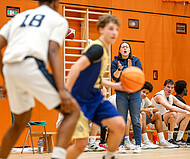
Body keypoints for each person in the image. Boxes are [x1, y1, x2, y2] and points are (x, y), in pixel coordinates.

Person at [0, 0, 80, 158]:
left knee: (21, 120)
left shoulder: (19, 17)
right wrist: (61, 90)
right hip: (31, 64)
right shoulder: (57, 19)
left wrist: (5, 78)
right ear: (56, 3)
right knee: (72, 111)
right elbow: (52, 51)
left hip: (10, 67)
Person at [64, 15, 126, 159]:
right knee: (80, 145)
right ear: (101, 30)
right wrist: (66, 94)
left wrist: (116, 85)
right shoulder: (97, 48)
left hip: (94, 97)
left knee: (119, 125)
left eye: (116, 29)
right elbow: (75, 68)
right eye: (110, 29)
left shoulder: (104, 50)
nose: (114, 33)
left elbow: (96, 79)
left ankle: (109, 155)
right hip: (79, 99)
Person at [111, 42, 142, 153]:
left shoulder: (136, 60)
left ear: (129, 50)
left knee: (135, 119)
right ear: (119, 50)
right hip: (121, 93)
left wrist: (130, 69)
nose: (125, 48)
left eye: (127, 47)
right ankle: (122, 145)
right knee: (122, 119)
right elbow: (114, 77)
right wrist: (119, 69)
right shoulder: (115, 62)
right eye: (123, 47)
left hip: (134, 93)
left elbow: (139, 76)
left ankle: (138, 144)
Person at [151, 79, 190, 148]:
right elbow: (170, 108)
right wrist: (187, 111)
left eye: (172, 88)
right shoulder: (159, 96)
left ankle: (178, 139)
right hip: (155, 122)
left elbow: (184, 106)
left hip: (167, 121)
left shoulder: (171, 97)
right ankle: (170, 139)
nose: (170, 89)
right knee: (173, 113)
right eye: (168, 87)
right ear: (164, 87)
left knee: (187, 115)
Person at [140, 82, 178, 149]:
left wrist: (151, 110)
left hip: (141, 119)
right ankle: (145, 140)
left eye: (147, 93)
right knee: (142, 114)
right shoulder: (134, 98)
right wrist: (146, 110)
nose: (145, 94)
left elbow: (155, 108)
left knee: (157, 114)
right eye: (143, 92)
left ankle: (162, 140)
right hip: (130, 119)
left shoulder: (145, 99)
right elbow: (133, 110)